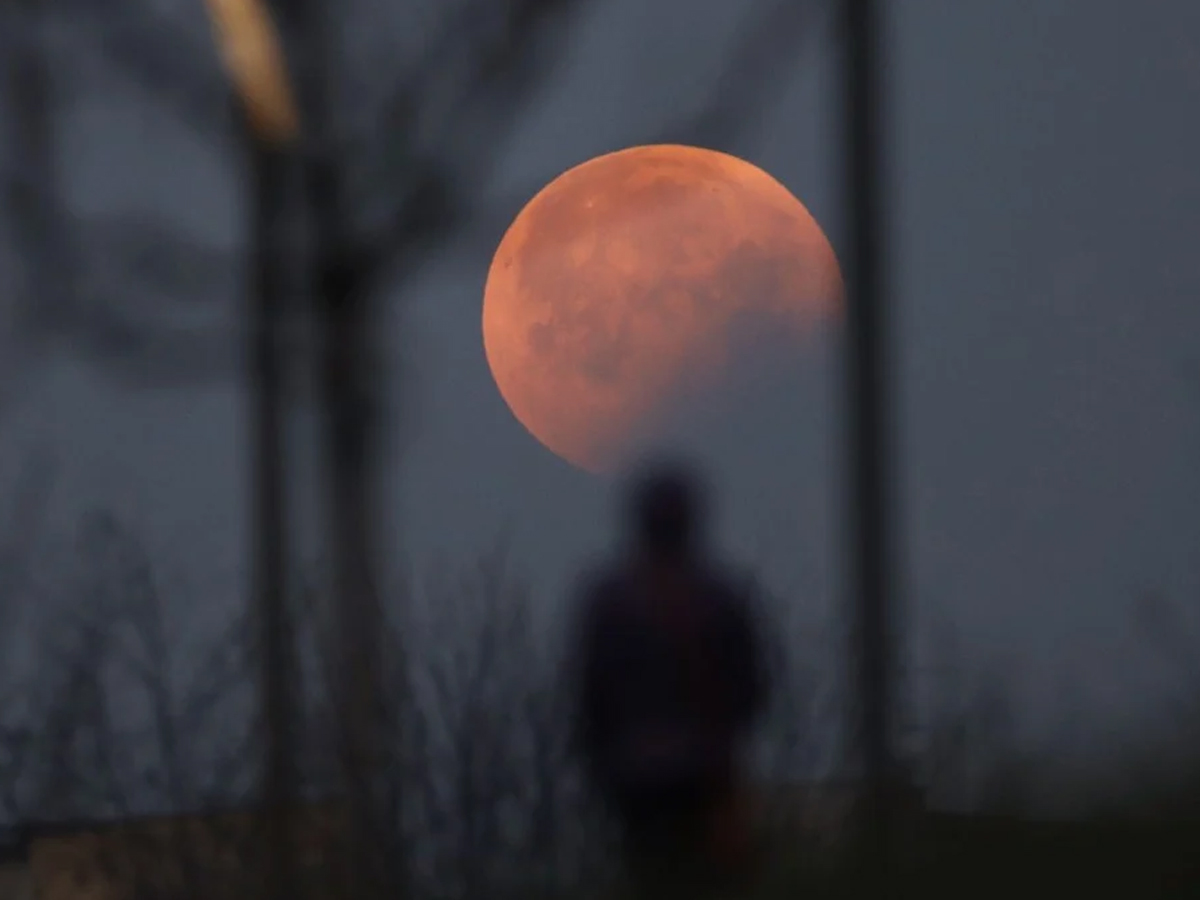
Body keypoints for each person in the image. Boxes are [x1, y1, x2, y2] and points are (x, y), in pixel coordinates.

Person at [568, 460, 768, 897]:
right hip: (705, 776)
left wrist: (601, 760)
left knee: (651, 879)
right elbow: (752, 690)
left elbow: (589, 697)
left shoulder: (611, 604)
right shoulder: (719, 600)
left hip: (638, 780)